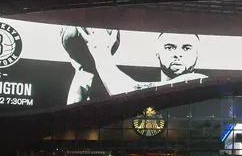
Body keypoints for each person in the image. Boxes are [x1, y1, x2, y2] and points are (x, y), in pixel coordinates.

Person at [67, 29, 208, 103]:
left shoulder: (198, 79)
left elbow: (127, 92)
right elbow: (73, 112)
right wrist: (84, 69)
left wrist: (100, 51)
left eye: (186, 48)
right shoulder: (154, 91)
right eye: (169, 47)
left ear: (197, 55)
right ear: (157, 53)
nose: (178, 54)